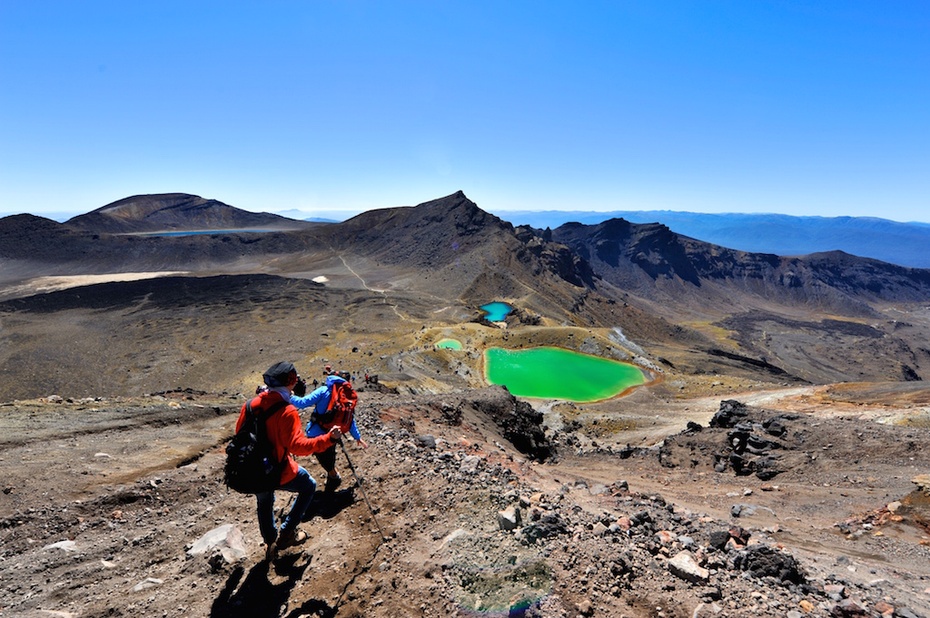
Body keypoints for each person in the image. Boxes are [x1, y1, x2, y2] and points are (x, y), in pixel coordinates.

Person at [237, 361, 342, 561]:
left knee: (264, 501)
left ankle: (270, 544)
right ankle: (287, 534)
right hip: (277, 469)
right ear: (290, 381)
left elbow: (239, 434)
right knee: (308, 486)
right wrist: (328, 439)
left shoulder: (250, 405)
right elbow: (298, 447)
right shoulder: (287, 411)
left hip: (252, 467)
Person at [289, 371, 368, 492]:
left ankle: (334, 476)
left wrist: (290, 396)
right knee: (329, 452)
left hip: (316, 433)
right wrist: (357, 437)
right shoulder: (347, 395)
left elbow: (303, 403)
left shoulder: (324, 390)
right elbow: (349, 419)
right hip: (334, 432)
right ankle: (333, 473)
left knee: (322, 455)